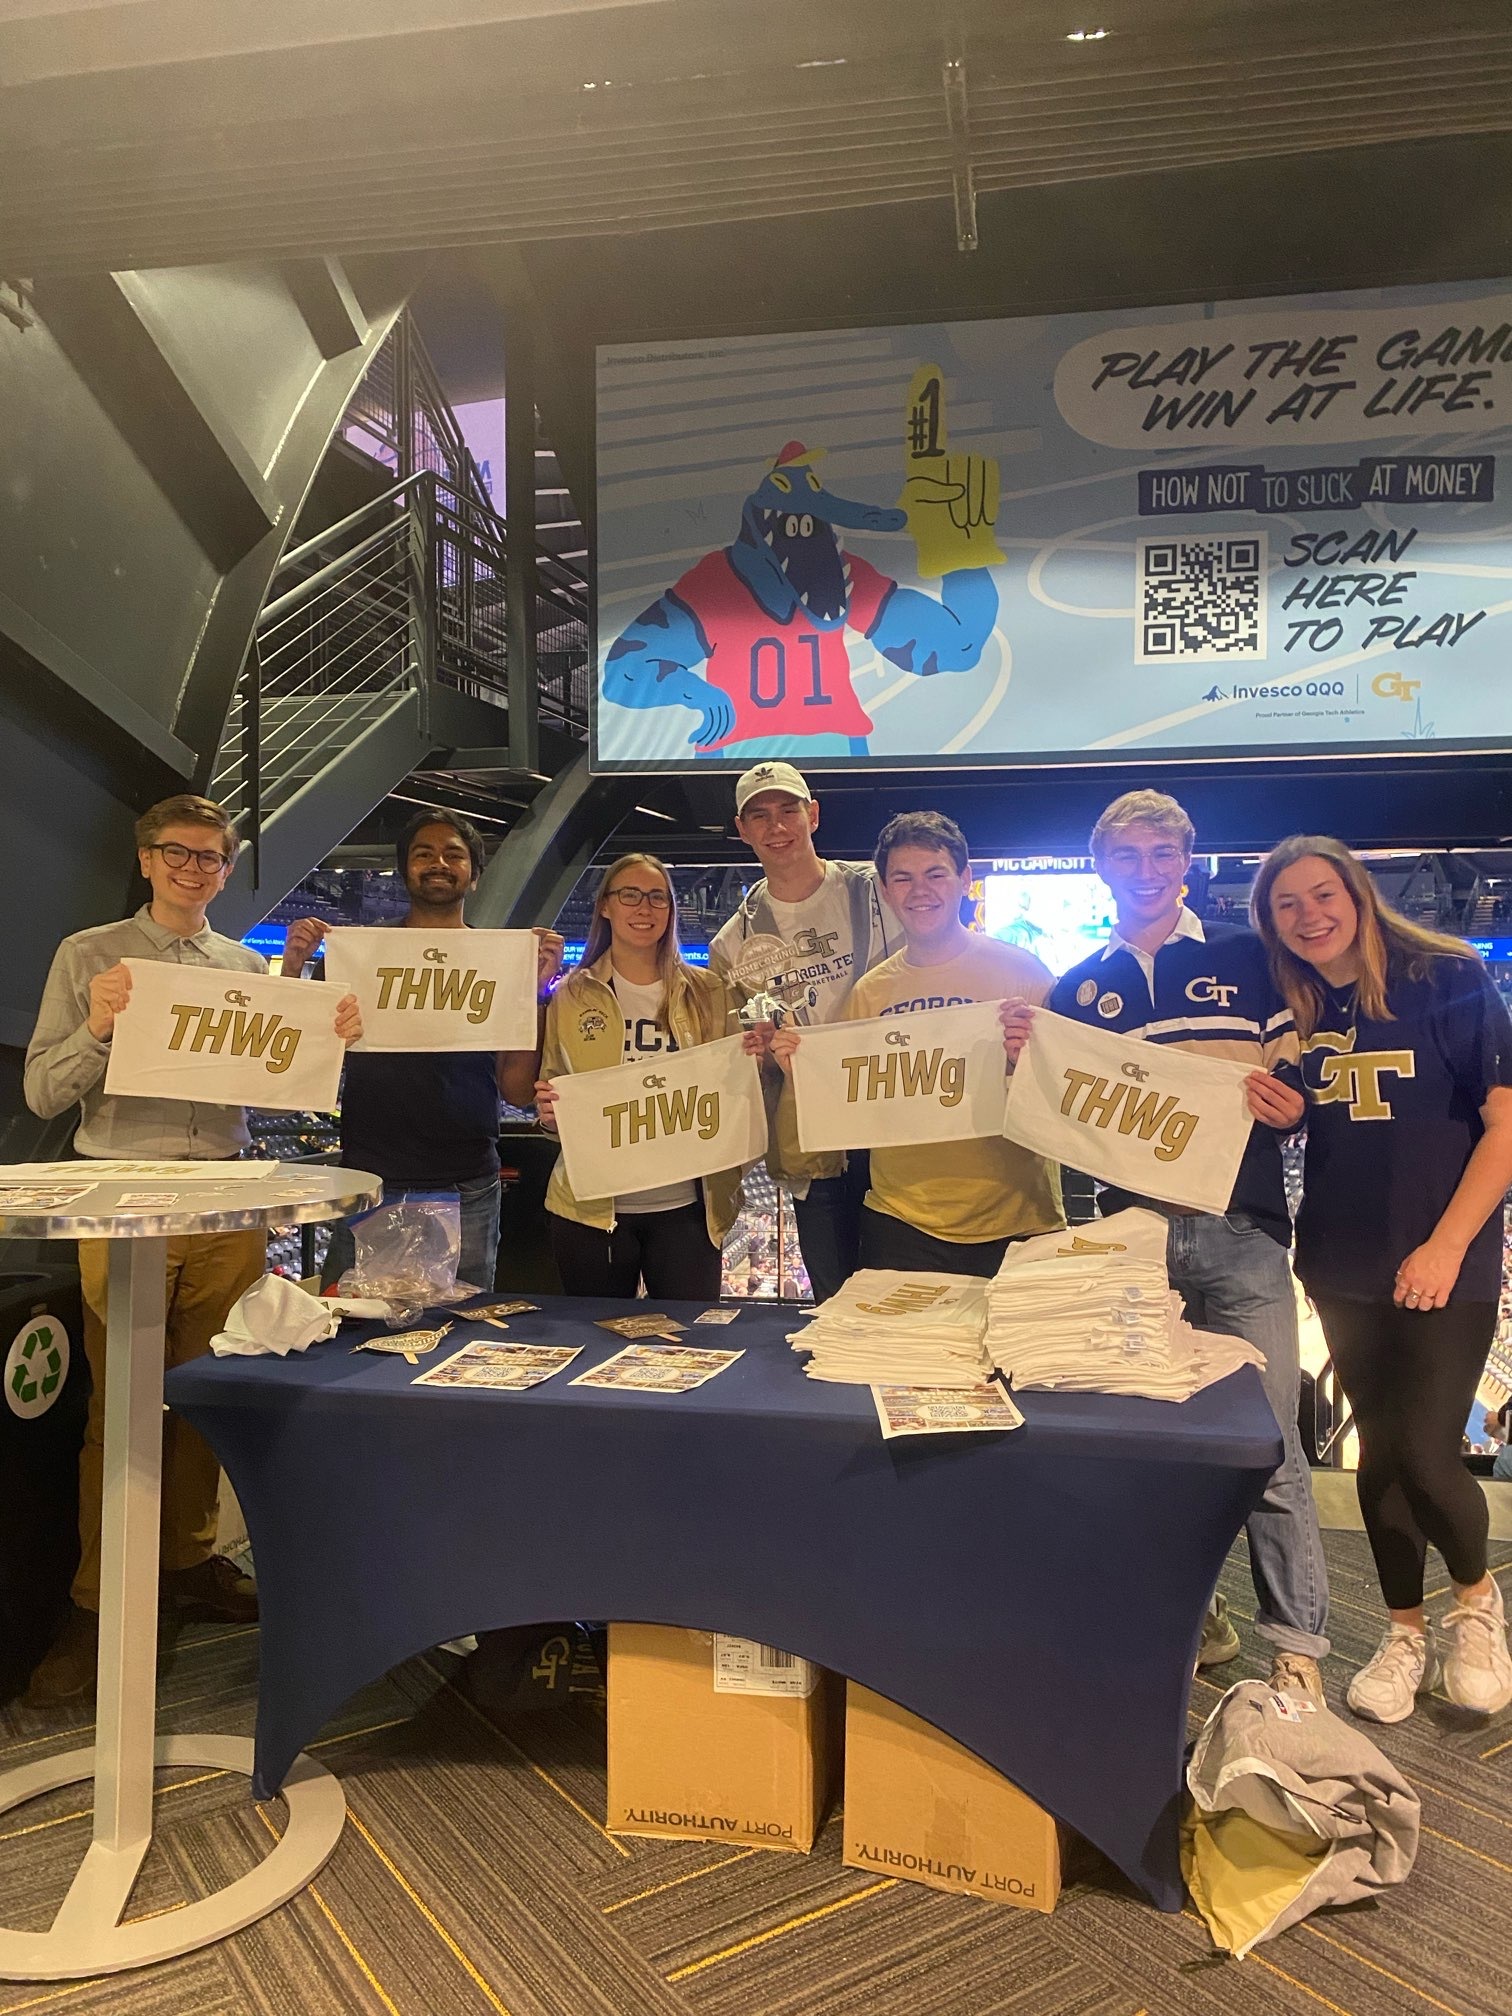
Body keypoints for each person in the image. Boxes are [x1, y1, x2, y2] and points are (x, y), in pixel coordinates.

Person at [21, 793, 362, 1706]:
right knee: (119, 1405)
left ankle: (190, 1560)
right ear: (145, 860)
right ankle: (97, 1606)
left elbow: (274, 1096)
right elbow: (45, 1093)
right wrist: (99, 1026)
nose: (193, 869)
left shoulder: (240, 965)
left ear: (225, 867)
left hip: (223, 1198)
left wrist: (322, 1041)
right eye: (177, 853)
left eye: (210, 858)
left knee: (212, 1393)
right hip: (124, 1198)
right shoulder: (89, 955)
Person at [1003, 789, 1331, 1703]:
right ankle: (1189, 1620)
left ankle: (1297, 1644)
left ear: (1185, 863)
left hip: (1240, 1230)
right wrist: (1026, 1055)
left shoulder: (1249, 954)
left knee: (1266, 1445)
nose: (1146, 873)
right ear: (1102, 869)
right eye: (1127, 858)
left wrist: (1291, 1106)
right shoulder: (1076, 989)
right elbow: (1064, 1117)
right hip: (1134, 1240)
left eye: (1162, 856)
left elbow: (1295, 1074)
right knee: (1154, 1444)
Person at [1253, 833, 1512, 1720]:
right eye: (1286, 905)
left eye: (1322, 894)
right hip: (1341, 1257)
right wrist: (1283, 1117)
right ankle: (1403, 1631)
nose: (1308, 916)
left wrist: (1446, 1246)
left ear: (1359, 894)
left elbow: (1504, 1126)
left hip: (1446, 1254)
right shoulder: (1294, 1006)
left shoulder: (1445, 974)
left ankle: (1475, 1604)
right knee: (1378, 1457)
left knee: (1427, 1452)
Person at [281, 808, 562, 1294]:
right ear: (405, 868)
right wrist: (292, 970)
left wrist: (533, 992)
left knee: (461, 1329)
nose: (438, 863)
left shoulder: (498, 963)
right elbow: (300, 1064)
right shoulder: (357, 956)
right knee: (348, 1327)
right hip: (369, 1179)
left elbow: (516, 1089)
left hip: (468, 1182)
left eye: (454, 855)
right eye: (423, 853)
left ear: (473, 877)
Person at [773, 810, 1063, 1277]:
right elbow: (853, 1107)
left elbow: (1064, 1101)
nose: (920, 890)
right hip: (901, 1221)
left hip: (1018, 1220)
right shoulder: (870, 992)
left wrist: (1026, 1062)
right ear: (886, 891)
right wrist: (806, 1073)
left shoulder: (1025, 974)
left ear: (965, 880)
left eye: (936, 874)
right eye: (903, 878)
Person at [708, 761, 901, 1303]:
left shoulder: (878, 893)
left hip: (896, 1118)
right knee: (836, 1296)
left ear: (813, 815)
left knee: (905, 1286)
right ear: (742, 830)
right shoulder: (734, 942)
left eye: (788, 810)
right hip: (813, 1141)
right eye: (760, 816)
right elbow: (757, 1056)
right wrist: (764, 1050)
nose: (777, 827)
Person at [535, 852, 756, 1300]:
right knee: (592, 1348)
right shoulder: (572, 995)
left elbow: (738, 1088)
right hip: (592, 1212)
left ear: (671, 911)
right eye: (630, 895)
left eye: (658, 898)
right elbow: (552, 1086)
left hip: (687, 1209)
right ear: (605, 906)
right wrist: (549, 1116)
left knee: (689, 1350)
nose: (645, 908)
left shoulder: (709, 991)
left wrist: (758, 1059)